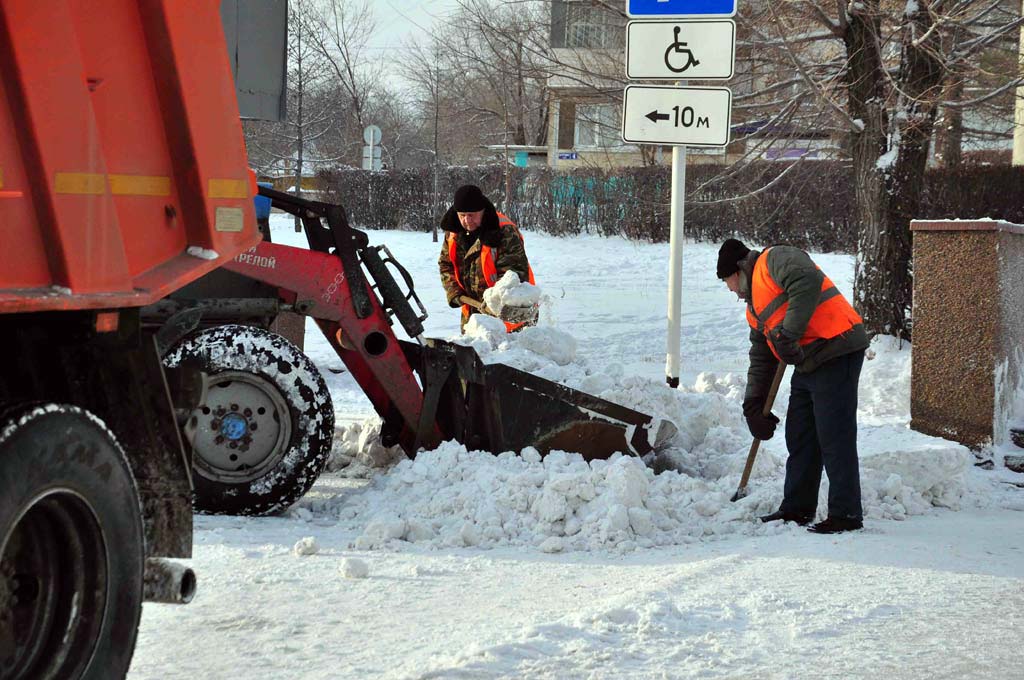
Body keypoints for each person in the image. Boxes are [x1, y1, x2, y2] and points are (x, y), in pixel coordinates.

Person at [717, 238, 869, 534]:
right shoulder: (754, 310)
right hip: (808, 359)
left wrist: (788, 334)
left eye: (728, 281)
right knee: (800, 434)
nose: (730, 290)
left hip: (837, 346)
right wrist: (754, 406)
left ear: (739, 269)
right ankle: (797, 507)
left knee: (833, 435)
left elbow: (806, 280)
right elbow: (761, 358)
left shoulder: (774, 260)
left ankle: (846, 513)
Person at [438, 185, 535, 331]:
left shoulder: (504, 232)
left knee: (507, 352)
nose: (467, 220)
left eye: (472, 215)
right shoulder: (453, 233)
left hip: (509, 318)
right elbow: (446, 265)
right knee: (472, 352)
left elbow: (514, 276)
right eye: (462, 215)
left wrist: (493, 302)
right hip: (472, 315)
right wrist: (454, 291)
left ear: (483, 211)